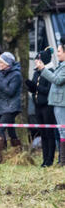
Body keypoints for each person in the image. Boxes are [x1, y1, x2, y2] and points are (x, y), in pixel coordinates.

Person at [0, 52, 23, 164]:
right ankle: (18, 155)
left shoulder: (16, 75)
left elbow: (10, 92)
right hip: (4, 107)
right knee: (12, 132)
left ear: (7, 63)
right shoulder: (2, 73)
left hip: (11, 107)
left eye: (1, 62)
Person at [36, 36, 65, 167]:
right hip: (57, 102)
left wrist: (43, 69)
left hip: (61, 103)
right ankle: (61, 160)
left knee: (62, 131)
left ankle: (62, 161)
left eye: (59, 51)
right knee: (60, 131)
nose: (57, 54)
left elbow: (57, 80)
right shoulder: (61, 66)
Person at [25, 47, 57, 167]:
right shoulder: (36, 72)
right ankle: (44, 159)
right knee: (42, 133)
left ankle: (50, 159)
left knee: (49, 133)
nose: (36, 62)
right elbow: (35, 89)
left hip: (47, 106)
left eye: (38, 60)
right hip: (38, 106)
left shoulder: (51, 72)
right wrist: (30, 86)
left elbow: (48, 90)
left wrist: (36, 87)